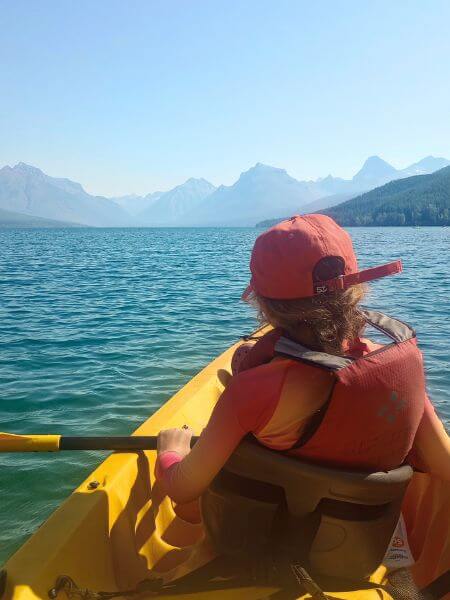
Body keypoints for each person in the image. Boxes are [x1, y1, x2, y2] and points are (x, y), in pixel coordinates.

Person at [156, 214, 450, 512]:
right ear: (355, 289)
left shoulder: (251, 391)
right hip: (360, 546)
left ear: (267, 308)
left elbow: (182, 488)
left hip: (268, 540)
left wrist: (171, 452)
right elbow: (444, 463)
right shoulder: (398, 369)